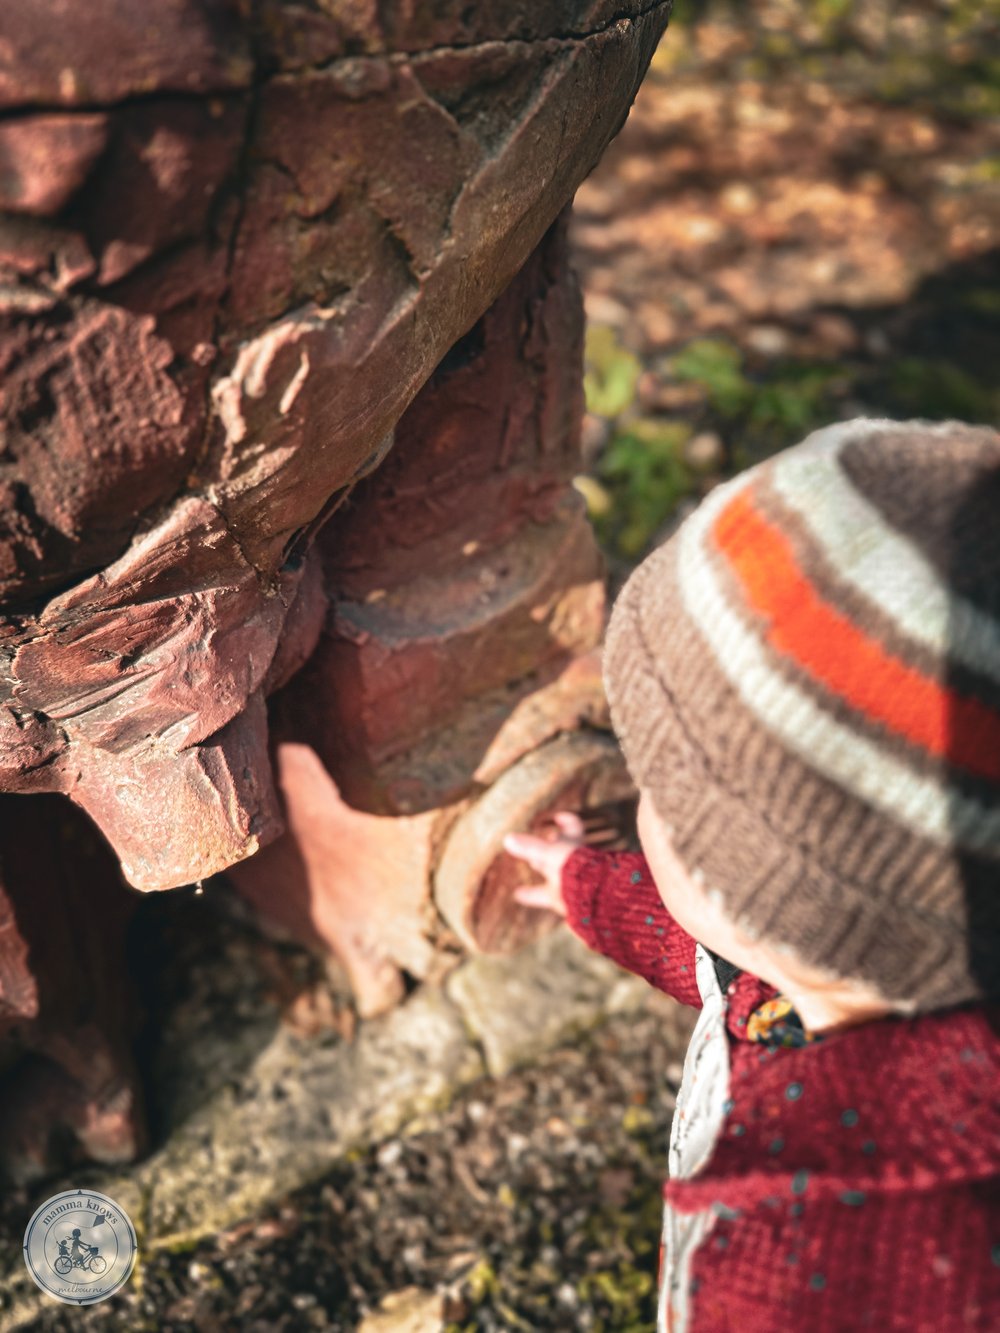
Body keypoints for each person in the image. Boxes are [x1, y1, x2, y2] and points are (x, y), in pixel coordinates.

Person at [505, 419, 1000, 1331]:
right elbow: (714, 958)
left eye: (661, 796)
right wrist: (591, 888)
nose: (640, 803)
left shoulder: (811, 1260)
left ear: (772, 897)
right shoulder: (842, 958)